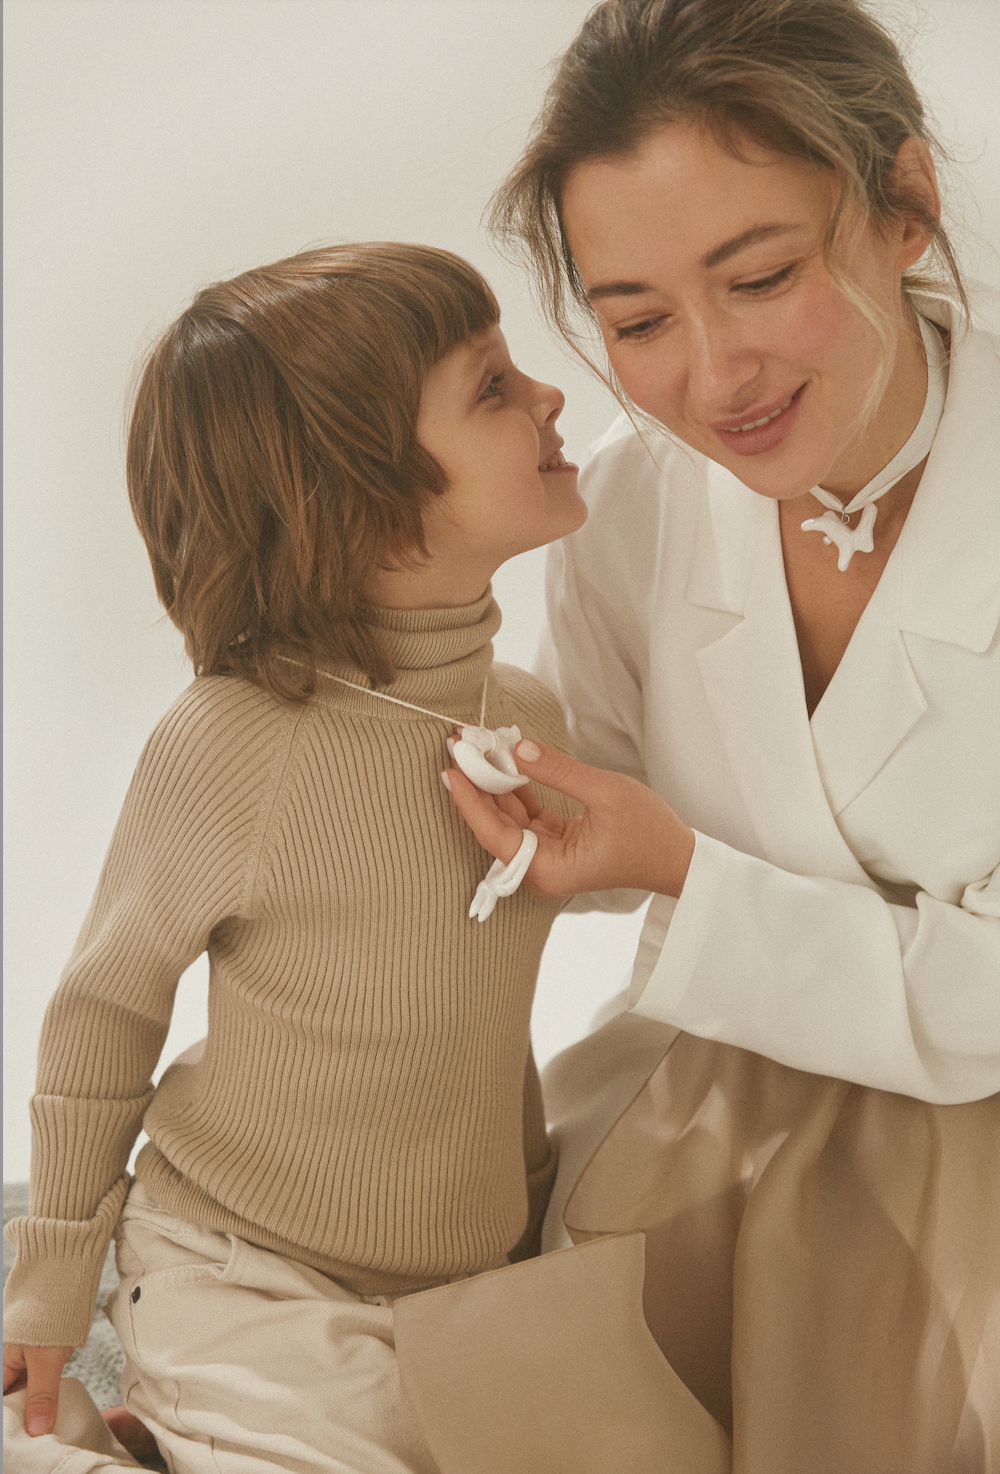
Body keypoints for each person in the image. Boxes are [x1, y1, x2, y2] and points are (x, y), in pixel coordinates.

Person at [430, 1, 999, 1469]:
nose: (713, 374)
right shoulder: (630, 505)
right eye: (635, 322)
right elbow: (606, 840)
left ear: (906, 208)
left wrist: (685, 866)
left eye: (758, 278)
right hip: (732, 1094)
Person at [2, 240, 589, 1473]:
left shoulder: (523, 709)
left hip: (473, 1273)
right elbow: (107, 1008)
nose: (550, 396)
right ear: (365, 507)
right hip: (247, 1267)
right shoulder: (235, 739)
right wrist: (49, 1287)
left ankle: (169, 1443)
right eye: (491, 387)